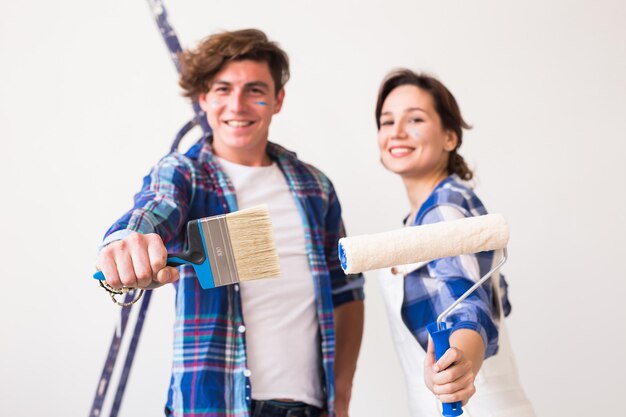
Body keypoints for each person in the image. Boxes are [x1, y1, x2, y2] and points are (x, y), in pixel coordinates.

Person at [96, 29, 364, 417]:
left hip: (307, 408)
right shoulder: (183, 174)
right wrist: (127, 240)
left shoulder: (316, 188)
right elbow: (156, 207)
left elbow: (347, 292)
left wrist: (342, 396)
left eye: (255, 90)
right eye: (223, 89)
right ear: (203, 98)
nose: (237, 105)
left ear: (277, 101)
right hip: (212, 406)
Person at [374, 69, 535, 416]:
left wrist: (459, 361)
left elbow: (469, 306)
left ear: (449, 136)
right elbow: (496, 300)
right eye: (387, 122)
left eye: (415, 119)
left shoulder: (444, 210)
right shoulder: (430, 214)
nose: (397, 132)